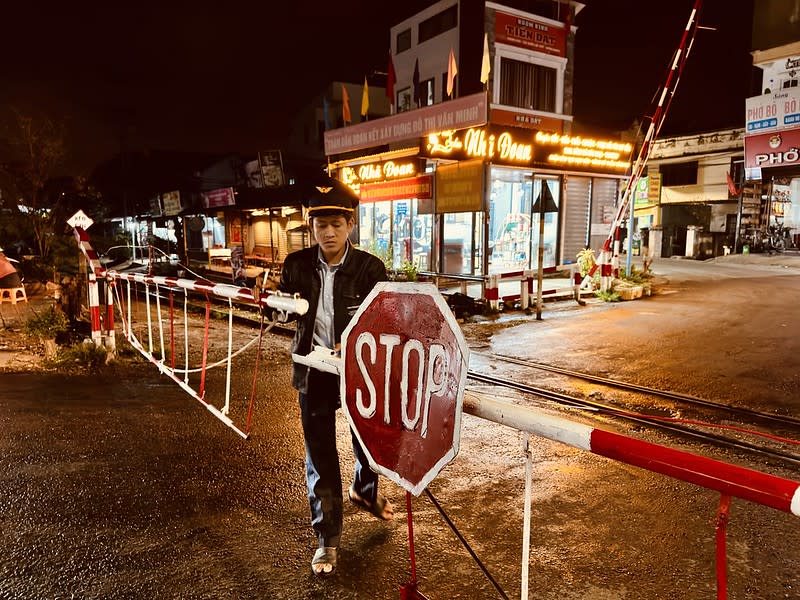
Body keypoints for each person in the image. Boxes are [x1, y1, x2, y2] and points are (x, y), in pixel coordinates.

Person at [279, 180, 394, 577]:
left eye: (336, 224)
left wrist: (357, 344)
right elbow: (282, 312)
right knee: (321, 455)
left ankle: (365, 490)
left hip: (359, 371)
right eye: (320, 224)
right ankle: (327, 539)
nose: (328, 232)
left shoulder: (370, 268)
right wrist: (278, 308)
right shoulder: (295, 266)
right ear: (311, 226)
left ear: (350, 224)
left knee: (370, 440)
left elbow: (384, 319)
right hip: (313, 371)